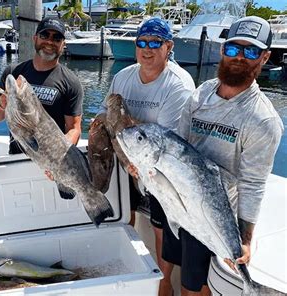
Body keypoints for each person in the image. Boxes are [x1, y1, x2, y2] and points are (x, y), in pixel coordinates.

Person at [171, 16, 283, 296]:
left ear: (265, 57)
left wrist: (245, 238)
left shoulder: (263, 119)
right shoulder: (202, 93)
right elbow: (177, 145)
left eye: (251, 51)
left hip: (215, 216)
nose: (240, 58)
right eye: (233, 49)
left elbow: (253, 183)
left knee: (193, 289)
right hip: (179, 201)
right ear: (222, 50)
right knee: (172, 269)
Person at [96, 17, 195, 296]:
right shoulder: (123, 76)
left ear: (169, 47)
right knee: (122, 216)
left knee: (160, 229)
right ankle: (126, 272)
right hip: (124, 156)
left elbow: (165, 139)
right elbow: (107, 115)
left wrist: (123, 119)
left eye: (155, 43)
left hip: (160, 166)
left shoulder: (178, 84)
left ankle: (163, 285)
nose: (147, 49)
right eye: (142, 42)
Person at [0, 17, 83, 157]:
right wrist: (3, 102)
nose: (50, 42)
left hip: (51, 161)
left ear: (63, 44)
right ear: (35, 38)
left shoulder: (71, 82)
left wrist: (59, 155)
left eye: (57, 38)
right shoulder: (13, 72)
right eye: (44, 35)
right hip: (16, 159)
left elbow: (74, 129)